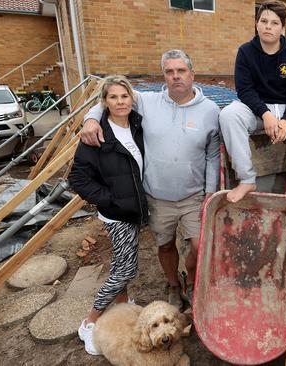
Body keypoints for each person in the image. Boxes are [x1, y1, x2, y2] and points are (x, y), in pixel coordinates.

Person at [80, 50, 220, 310]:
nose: (176, 76)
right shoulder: (147, 102)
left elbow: (213, 155)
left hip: (194, 196)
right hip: (156, 196)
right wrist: (90, 119)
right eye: (169, 71)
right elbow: (109, 99)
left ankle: (190, 281)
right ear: (164, 75)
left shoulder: (210, 110)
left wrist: (210, 193)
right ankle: (174, 286)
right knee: (165, 245)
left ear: (192, 74)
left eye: (181, 71)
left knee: (200, 247)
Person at [219, 0, 286, 223]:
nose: (268, 26)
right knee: (228, 115)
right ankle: (247, 179)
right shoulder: (246, 52)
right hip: (256, 108)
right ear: (257, 24)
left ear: (283, 27)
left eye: (274, 22)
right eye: (264, 21)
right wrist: (265, 114)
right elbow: (245, 90)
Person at [69, 75, 147, 356]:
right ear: (104, 102)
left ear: (131, 98)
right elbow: (77, 178)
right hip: (117, 214)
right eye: (113, 97)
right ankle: (90, 321)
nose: (120, 101)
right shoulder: (97, 133)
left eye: (124, 96)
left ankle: (123, 305)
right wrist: (110, 199)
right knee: (124, 269)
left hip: (134, 209)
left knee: (123, 263)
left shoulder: (136, 125)